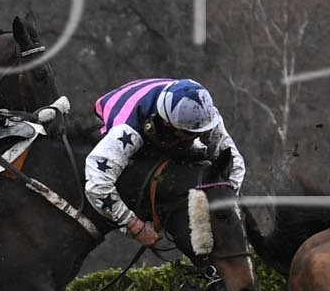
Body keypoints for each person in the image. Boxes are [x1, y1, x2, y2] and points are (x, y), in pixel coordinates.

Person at [82, 77, 246, 246]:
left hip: (163, 103)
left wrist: (227, 205)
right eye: (190, 133)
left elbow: (235, 165)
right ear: (169, 124)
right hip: (119, 116)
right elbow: (97, 185)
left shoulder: (205, 115)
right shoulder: (128, 131)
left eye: (201, 132)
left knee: (198, 150)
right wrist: (134, 225)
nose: (196, 136)